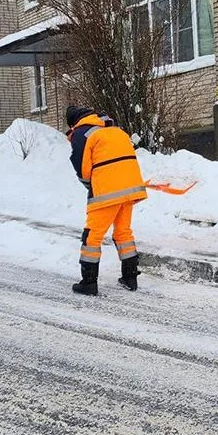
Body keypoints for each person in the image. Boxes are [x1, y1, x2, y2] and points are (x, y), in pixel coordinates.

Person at [65, 105, 147, 295]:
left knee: (92, 236)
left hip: (107, 191)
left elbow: (83, 167)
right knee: (123, 232)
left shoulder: (82, 134)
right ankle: (130, 278)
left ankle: (89, 282)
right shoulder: (114, 130)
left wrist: (90, 185)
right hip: (131, 187)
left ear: (73, 122)